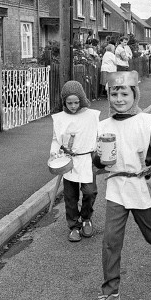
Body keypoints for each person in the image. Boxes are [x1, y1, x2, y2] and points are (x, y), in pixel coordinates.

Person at [90, 71, 151, 300]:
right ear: (108, 96)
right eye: (114, 93)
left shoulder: (147, 121)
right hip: (116, 188)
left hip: (141, 186)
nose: (119, 98)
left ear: (134, 95)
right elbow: (97, 162)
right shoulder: (103, 126)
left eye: (124, 93)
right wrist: (99, 161)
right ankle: (111, 293)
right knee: (111, 241)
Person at [50, 81, 101, 242]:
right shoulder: (59, 118)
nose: (73, 106)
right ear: (64, 102)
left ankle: (86, 218)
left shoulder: (92, 116)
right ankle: (74, 225)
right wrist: (54, 152)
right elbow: (56, 139)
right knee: (70, 196)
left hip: (86, 159)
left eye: (76, 102)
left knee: (90, 191)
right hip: (68, 161)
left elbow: (98, 135)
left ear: (82, 99)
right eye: (69, 103)